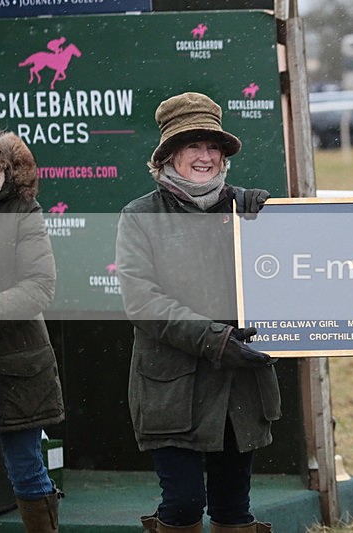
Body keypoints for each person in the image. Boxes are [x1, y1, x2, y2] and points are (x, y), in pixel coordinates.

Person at [115, 92, 280, 533]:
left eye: (213, 147)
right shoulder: (139, 216)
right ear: (169, 155)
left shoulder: (252, 211)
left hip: (238, 389)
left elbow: (293, 280)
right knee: (184, 505)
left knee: (232, 510)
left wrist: (276, 227)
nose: (205, 156)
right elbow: (142, 301)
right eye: (193, 146)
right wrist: (215, 339)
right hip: (173, 388)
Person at [0, 131, 65, 532]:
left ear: (4, 168)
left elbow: (40, 287)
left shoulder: (25, 211)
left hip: (16, 365)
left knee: (25, 469)